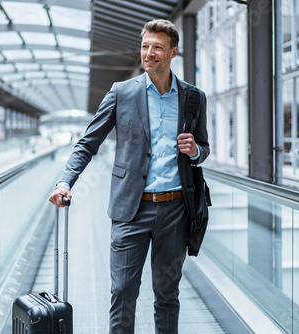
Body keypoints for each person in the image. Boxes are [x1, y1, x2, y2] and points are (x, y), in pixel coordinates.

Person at [49, 19, 209, 334]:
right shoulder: (122, 93)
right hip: (130, 210)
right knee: (123, 291)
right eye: (145, 46)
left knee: (167, 295)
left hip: (176, 210)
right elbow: (88, 143)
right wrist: (65, 182)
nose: (149, 53)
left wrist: (195, 152)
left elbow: (203, 147)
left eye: (157, 47)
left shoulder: (193, 97)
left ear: (173, 52)